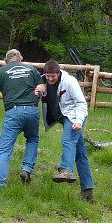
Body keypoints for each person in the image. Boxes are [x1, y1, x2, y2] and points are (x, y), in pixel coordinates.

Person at [35, 59, 94, 202]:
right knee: (80, 154)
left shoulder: (70, 81)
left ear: (59, 73)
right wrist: (39, 90)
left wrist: (79, 121)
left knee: (67, 139)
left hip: (74, 116)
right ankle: (88, 191)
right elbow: (41, 88)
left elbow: (81, 103)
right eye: (48, 76)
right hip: (63, 117)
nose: (50, 79)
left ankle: (66, 170)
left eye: (53, 76)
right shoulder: (43, 80)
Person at [0, 49, 42, 188]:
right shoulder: (31, 69)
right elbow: (42, 86)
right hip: (32, 109)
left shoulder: (0, 71)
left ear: (6, 60)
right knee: (32, 139)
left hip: (14, 112)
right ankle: (27, 169)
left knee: (5, 149)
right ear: (20, 58)